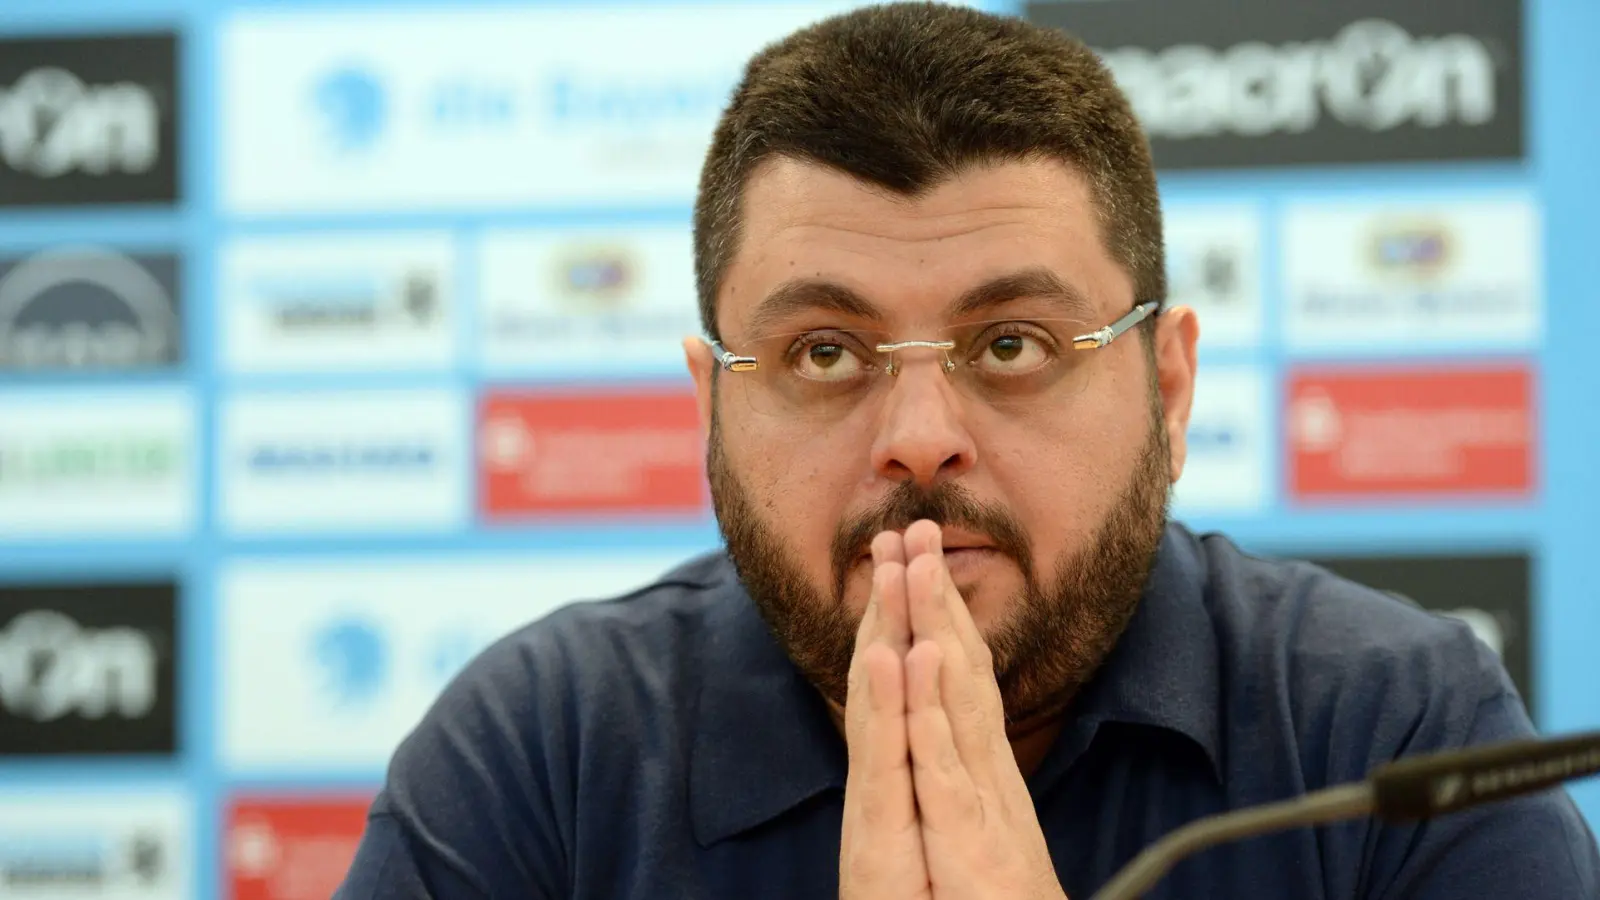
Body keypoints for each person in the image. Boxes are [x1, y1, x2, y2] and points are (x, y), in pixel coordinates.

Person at [334, 3, 1600, 897]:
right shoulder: (535, 755)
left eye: (1011, 345)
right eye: (825, 353)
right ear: (709, 406)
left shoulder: (1395, 739)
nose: (921, 442)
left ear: (1167, 388)